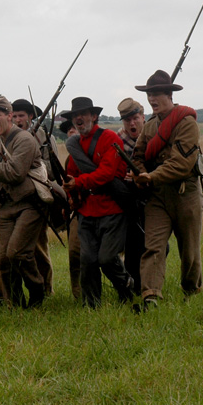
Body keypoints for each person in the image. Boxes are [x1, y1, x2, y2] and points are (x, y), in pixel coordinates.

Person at [132, 70, 203, 308]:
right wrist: (141, 172)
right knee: (153, 247)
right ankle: (151, 295)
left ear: (169, 94)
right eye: (149, 94)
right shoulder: (150, 126)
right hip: (157, 196)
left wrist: (150, 176)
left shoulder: (187, 124)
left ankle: (191, 290)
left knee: (189, 251)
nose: (152, 99)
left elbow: (181, 164)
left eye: (157, 93)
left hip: (185, 193)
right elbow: (138, 155)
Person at [0, 96, 46, 308]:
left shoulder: (24, 139)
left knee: (18, 253)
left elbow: (15, 173)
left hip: (29, 204)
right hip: (7, 206)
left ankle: (37, 293)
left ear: (9, 116)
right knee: (4, 259)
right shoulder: (1, 141)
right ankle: (14, 303)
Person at [62, 97, 134, 308]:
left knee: (106, 258)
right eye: (75, 116)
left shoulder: (110, 138)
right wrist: (71, 196)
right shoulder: (75, 145)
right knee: (88, 260)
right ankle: (91, 305)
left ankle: (125, 285)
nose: (78, 119)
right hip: (87, 210)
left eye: (82, 114)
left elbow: (106, 174)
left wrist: (78, 182)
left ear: (94, 116)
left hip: (111, 207)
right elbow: (71, 174)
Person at [11, 99, 59, 296]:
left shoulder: (44, 137)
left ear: (30, 117)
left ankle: (46, 289)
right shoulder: (8, 138)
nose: (17, 119)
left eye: (21, 115)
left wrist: (29, 165)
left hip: (37, 198)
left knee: (38, 247)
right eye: (13, 116)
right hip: (12, 199)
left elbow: (53, 171)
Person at [116, 98, 146, 296]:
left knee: (156, 246)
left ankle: (149, 284)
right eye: (127, 120)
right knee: (132, 247)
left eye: (135, 118)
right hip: (126, 200)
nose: (132, 124)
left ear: (143, 117)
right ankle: (133, 287)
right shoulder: (117, 141)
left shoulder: (153, 136)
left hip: (150, 197)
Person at [59, 117, 81, 301]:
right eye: (69, 130)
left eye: (75, 128)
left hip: (100, 208)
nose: (71, 132)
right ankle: (79, 295)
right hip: (78, 211)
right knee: (74, 253)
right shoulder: (69, 159)